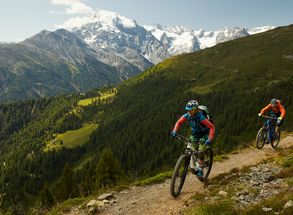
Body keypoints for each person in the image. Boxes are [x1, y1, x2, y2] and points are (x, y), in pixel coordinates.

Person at [171, 100, 215, 177]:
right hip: (194, 134)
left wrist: (210, 138)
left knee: (200, 151)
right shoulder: (187, 115)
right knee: (191, 148)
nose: (189, 112)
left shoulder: (201, 117)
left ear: (196, 109)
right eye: (188, 110)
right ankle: (194, 163)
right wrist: (175, 130)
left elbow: (211, 127)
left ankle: (201, 169)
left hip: (204, 135)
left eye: (191, 110)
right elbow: (179, 122)